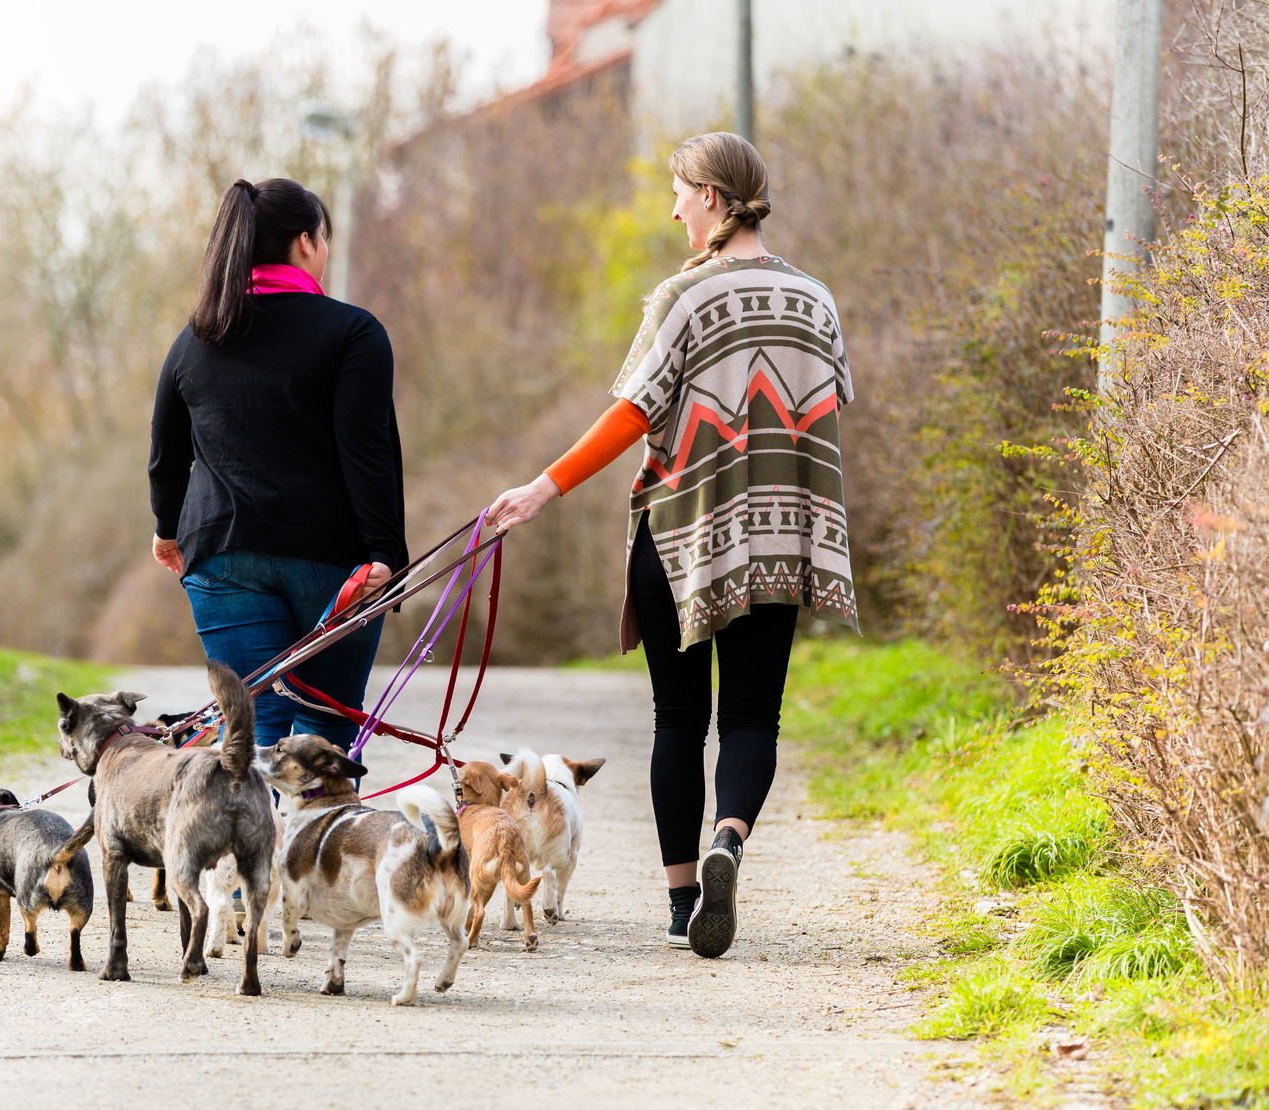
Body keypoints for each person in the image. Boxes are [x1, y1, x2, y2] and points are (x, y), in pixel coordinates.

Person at [484, 133, 858, 958]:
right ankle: (729, 837)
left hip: (681, 540)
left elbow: (632, 414)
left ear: (715, 200)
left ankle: (684, 898)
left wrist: (542, 488)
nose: (675, 208)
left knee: (678, 718)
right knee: (754, 714)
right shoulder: (818, 301)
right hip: (776, 542)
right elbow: (826, 407)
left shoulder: (683, 298)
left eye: (682, 193)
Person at [149, 177, 406, 750]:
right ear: (307, 242)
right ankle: (318, 837)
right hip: (332, 559)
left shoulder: (194, 340)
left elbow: (167, 454)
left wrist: (168, 531)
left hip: (221, 555)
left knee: (252, 731)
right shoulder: (353, 333)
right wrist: (387, 554)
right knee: (327, 729)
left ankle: (245, 842)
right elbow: (368, 453)